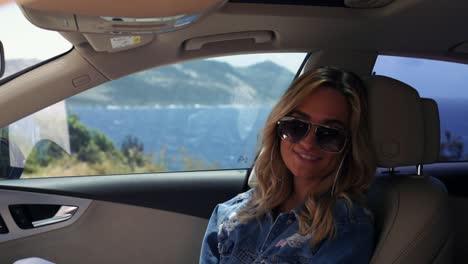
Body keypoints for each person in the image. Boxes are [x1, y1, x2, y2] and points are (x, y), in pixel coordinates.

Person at [200, 67, 377, 263]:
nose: (308, 143)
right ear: (278, 128)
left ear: (349, 146)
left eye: (330, 133)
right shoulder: (230, 213)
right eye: (297, 125)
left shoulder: (345, 228)